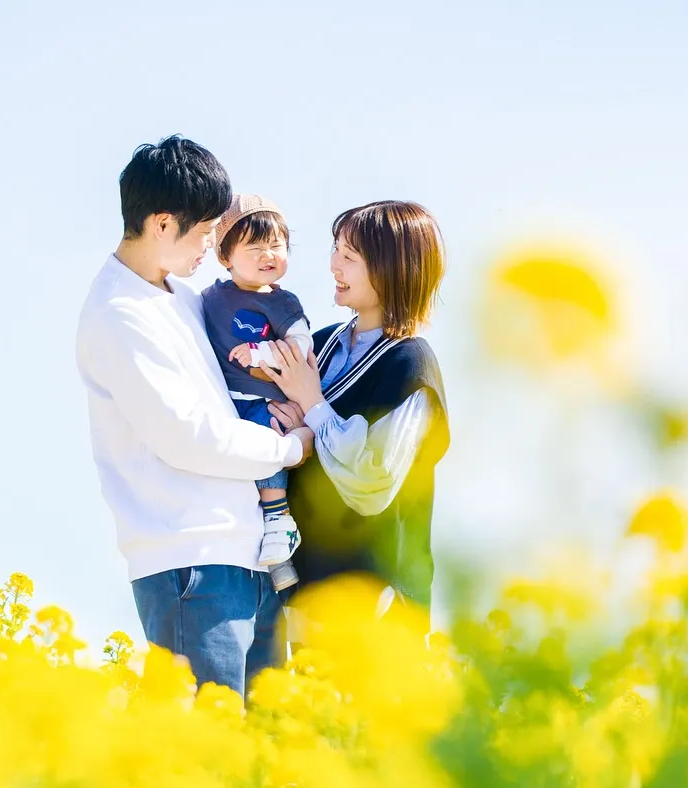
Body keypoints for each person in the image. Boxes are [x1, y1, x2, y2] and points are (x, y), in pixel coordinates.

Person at [75, 136, 314, 698]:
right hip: (190, 565)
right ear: (162, 223)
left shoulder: (180, 297)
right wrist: (292, 447)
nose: (212, 244)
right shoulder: (119, 314)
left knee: (266, 757)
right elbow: (187, 436)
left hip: (247, 555)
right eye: (206, 231)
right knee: (213, 760)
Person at [266, 200, 450, 625]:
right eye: (336, 250)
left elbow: (372, 480)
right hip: (301, 590)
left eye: (349, 257)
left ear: (393, 269)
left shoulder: (410, 365)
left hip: (374, 604)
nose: (334, 265)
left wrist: (312, 407)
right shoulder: (321, 344)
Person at [201, 194, 314, 591]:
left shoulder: (282, 302)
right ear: (225, 255)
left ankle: (281, 530)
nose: (269, 255)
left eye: (277, 245)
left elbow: (301, 346)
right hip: (224, 402)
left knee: (269, 469)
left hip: (264, 402)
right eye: (255, 247)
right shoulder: (210, 298)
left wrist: (260, 352)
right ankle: (274, 552)